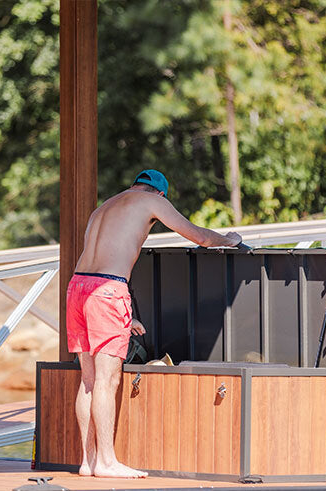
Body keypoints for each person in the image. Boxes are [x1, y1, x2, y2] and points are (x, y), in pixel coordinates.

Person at [66, 169, 242, 478]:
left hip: (78, 288)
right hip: (108, 289)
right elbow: (199, 236)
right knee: (108, 380)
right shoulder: (151, 202)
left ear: (135, 184)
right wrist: (228, 239)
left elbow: (102, 256)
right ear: (160, 193)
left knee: (89, 380)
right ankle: (107, 462)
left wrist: (127, 315)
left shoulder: (104, 207)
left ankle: (88, 460)